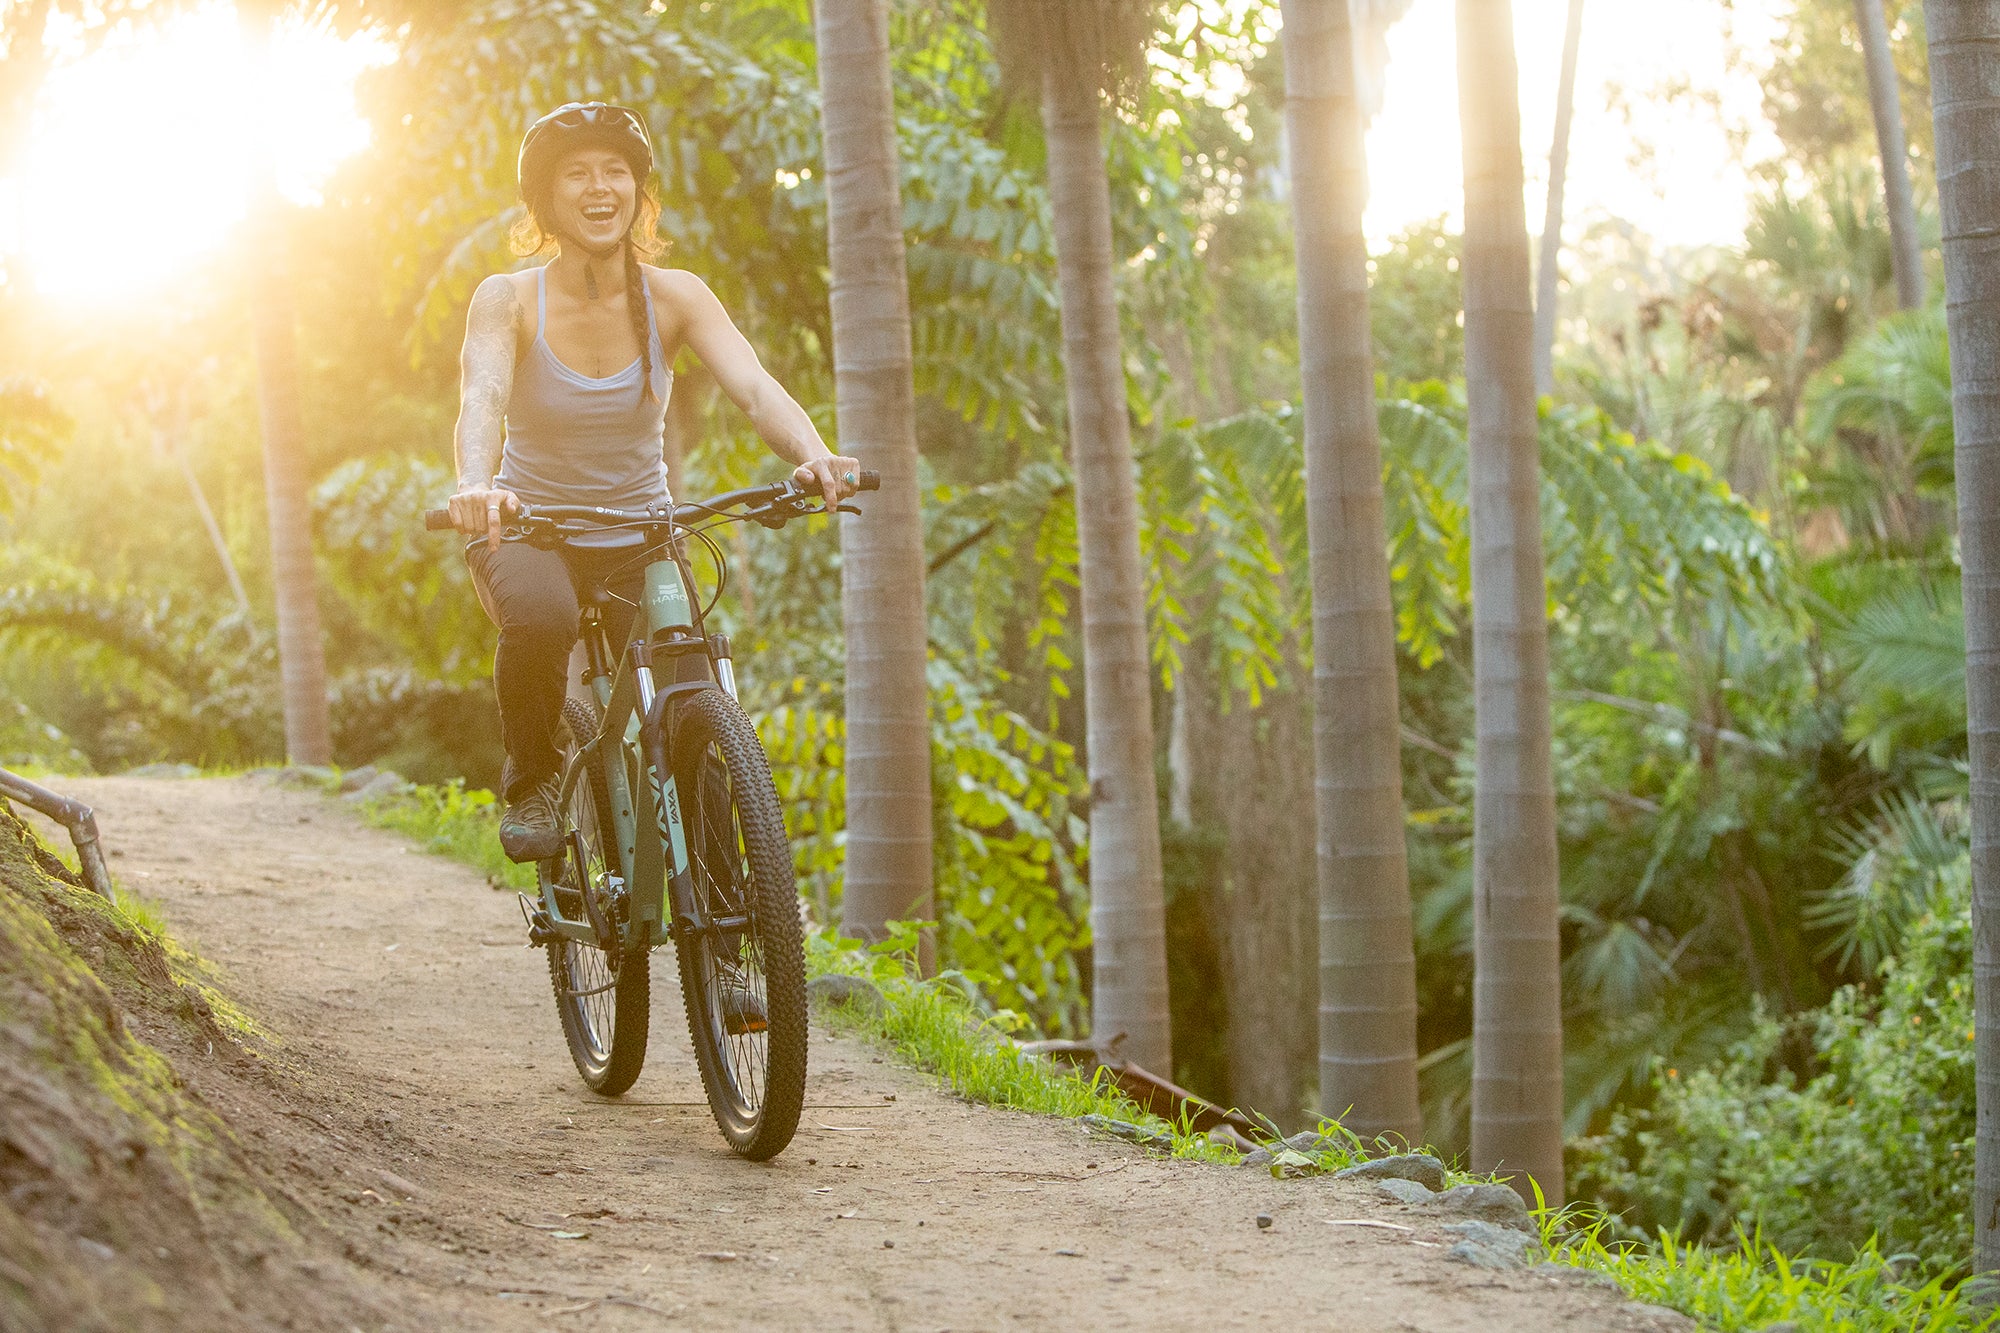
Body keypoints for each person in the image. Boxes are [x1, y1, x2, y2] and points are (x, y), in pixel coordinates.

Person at [449, 102, 860, 863]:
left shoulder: (676, 296)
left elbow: (756, 389)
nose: (601, 187)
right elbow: (482, 398)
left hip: (645, 532)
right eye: (578, 174)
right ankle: (533, 778)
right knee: (541, 620)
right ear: (544, 200)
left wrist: (814, 452)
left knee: (691, 697)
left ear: (640, 193)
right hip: (533, 528)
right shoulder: (507, 299)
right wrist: (478, 486)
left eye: (617, 172)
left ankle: (730, 929)